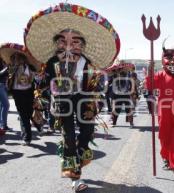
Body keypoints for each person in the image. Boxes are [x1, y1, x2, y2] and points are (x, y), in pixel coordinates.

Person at [24, 3, 121, 191]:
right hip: (62, 100)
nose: (68, 46)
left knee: (86, 132)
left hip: (84, 99)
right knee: (68, 136)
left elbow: (97, 85)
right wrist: (39, 100)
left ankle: (79, 154)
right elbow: (43, 84)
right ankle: (75, 178)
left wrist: (97, 99)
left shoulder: (88, 64)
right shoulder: (51, 62)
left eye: (75, 41)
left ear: (82, 45)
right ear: (56, 43)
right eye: (63, 41)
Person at [145, 38, 174, 181]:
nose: (173, 61)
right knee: (164, 139)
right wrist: (149, 69)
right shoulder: (160, 75)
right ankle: (166, 157)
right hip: (164, 113)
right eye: (170, 56)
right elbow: (150, 86)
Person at [0, 43, 39, 144]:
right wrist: (10, 69)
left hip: (29, 92)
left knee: (28, 112)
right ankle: (27, 137)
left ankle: (29, 129)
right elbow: (1, 74)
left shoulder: (30, 67)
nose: (15, 59)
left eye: (17, 57)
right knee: (23, 114)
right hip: (17, 93)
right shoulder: (11, 68)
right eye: (14, 58)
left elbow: (38, 73)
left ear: (23, 58)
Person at [0, 57, 12, 135]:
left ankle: (3, 125)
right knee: (6, 105)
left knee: (2, 106)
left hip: (3, 85)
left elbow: (6, 74)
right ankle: (3, 126)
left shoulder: (3, 61)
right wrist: (6, 68)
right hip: (0, 85)